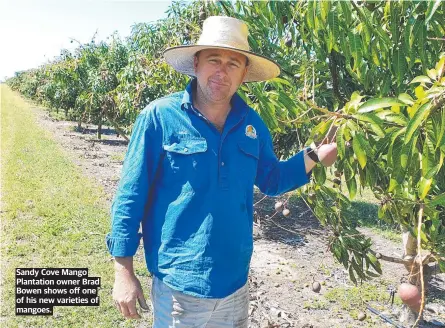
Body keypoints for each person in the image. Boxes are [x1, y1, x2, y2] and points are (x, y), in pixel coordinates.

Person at [106, 16, 338, 327]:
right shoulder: (159, 117)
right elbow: (130, 195)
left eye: (233, 63)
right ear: (197, 63)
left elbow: (271, 180)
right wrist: (123, 271)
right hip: (179, 284)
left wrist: (313, 156)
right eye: (214, 59)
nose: (222, 71)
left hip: (236, 283)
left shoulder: (252, 124)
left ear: (244, 74)